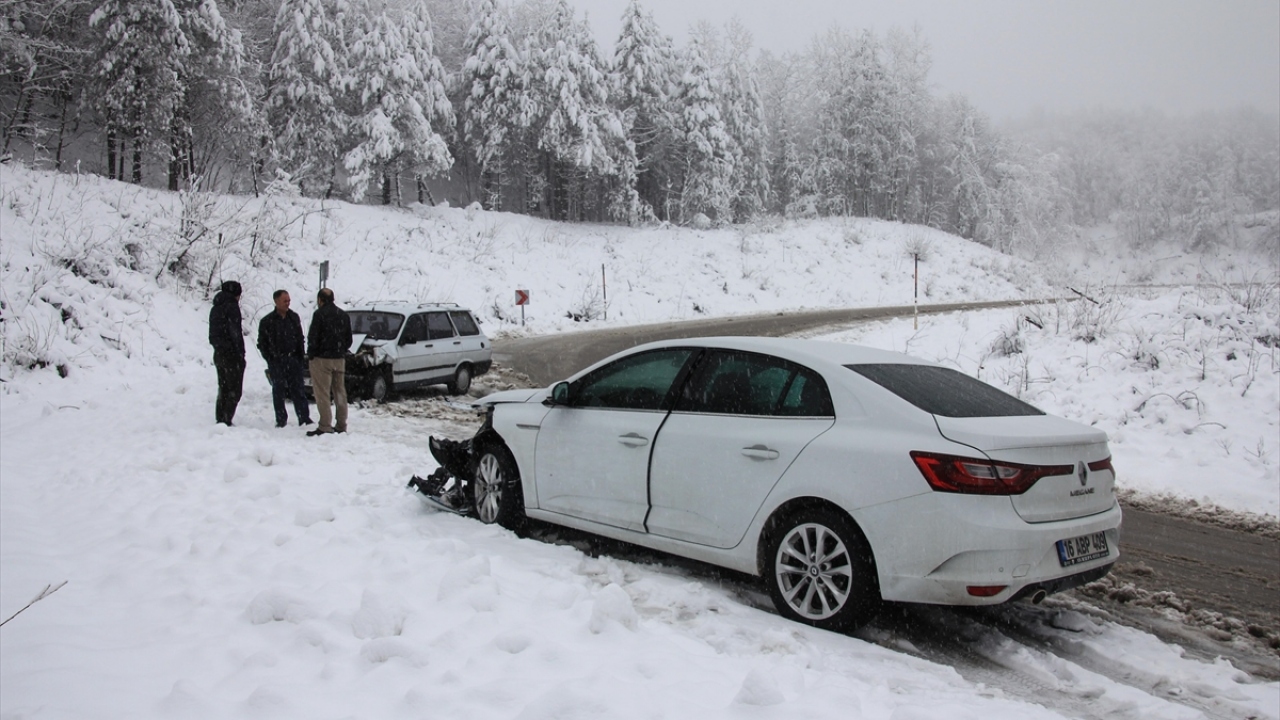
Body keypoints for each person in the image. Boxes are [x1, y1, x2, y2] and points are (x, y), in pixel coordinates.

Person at [258, 289, 314, 428]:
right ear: (276, 301)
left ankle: (304, 417)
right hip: (277, 361)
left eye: (289, 300)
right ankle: (281, 419)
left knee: (298, 390)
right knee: (279, 391)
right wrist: (270, 358)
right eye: (285, 301)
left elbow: (300, 338)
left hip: (294, 359)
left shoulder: (293, 317)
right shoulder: (267, 321)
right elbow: (262, 343)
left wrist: (300, 356)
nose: (288, 303)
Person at [306, 287, 352, 436]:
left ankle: (325, 425)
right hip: (339, 359)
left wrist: (311, 354)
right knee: (340, 392)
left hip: (322, 359)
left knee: (322, 393)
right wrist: (340, 349)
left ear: (320, 300)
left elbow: (313, 337)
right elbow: (349, 340)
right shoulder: (343, 315)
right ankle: (341, 424)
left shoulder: (319, 315)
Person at [208, 280, 245, 426]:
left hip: (218, 352)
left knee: (223, 386)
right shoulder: (232, 307)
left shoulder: (215, 308)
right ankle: (227, 418)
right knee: (235, 388)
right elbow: (235, 332)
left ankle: (220, 417)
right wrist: (240, 353)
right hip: (232, 354)